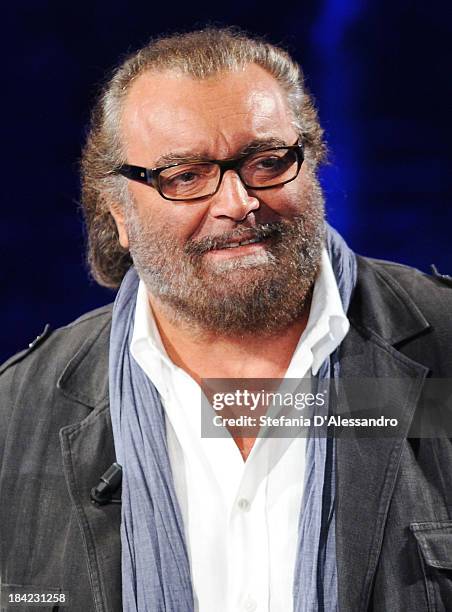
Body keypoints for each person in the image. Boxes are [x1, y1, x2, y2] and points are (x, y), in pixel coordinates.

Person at [1, 27, 452, 612]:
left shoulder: (440, 348)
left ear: (311, 163)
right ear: (118, 213)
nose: (238, 203)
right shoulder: (16, 413)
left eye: (267, 162)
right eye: (184, 176)